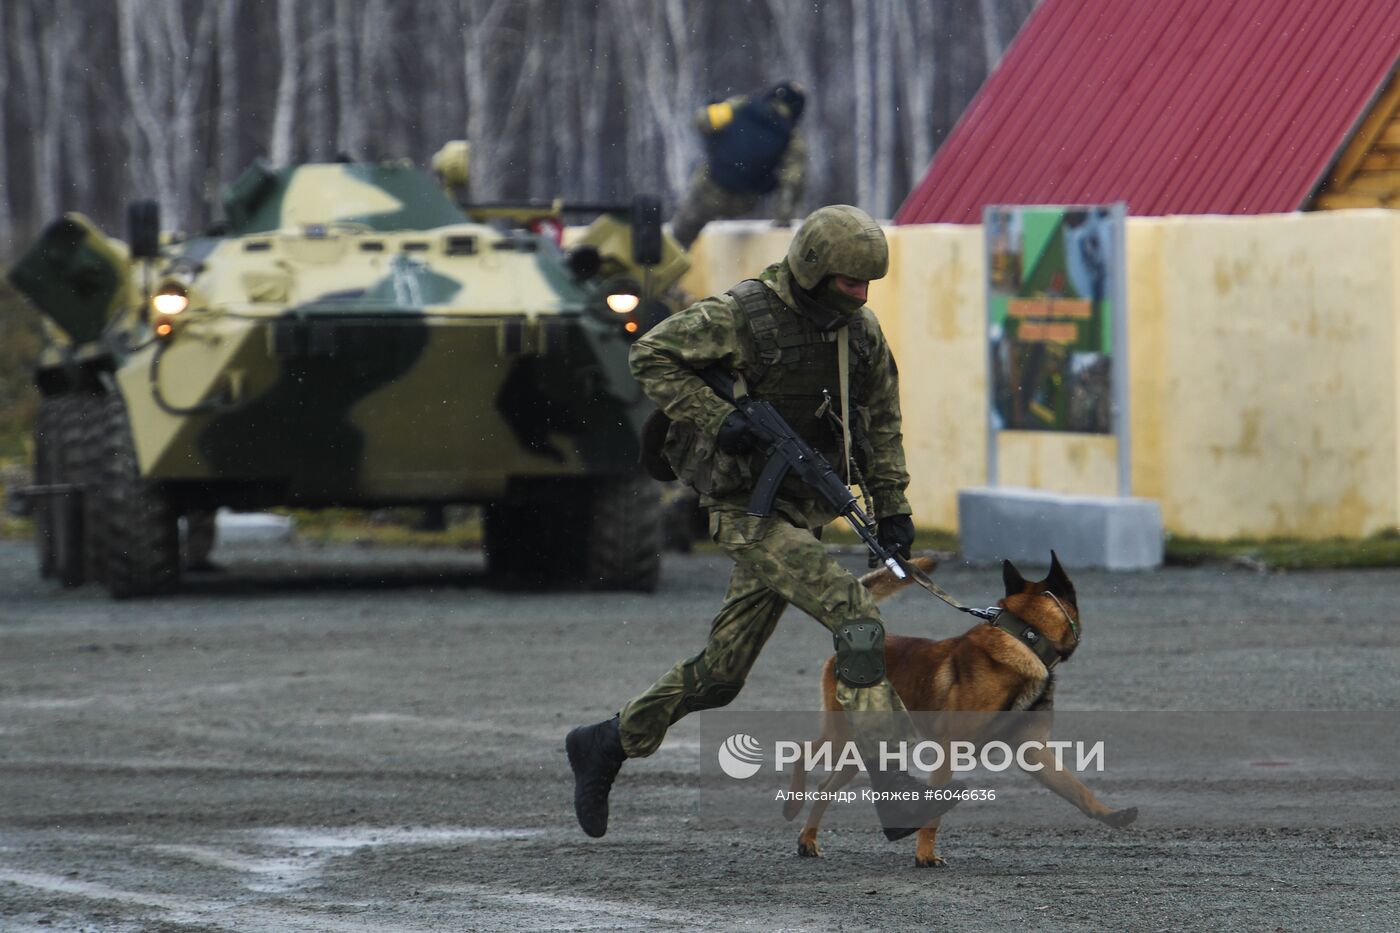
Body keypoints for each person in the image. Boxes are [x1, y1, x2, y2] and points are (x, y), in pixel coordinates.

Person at [567, 205, 960, 840]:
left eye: (868, 285)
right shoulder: (744, 313)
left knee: (721, 677)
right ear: (811, 271)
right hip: (744, 509)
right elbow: (652, 353)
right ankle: (893, 787)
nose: (861, 296)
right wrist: (719, 419)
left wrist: (893, 510)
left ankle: (606, 741)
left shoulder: (859, 334)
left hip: (801, 511)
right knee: (856, 619)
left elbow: (880, 421)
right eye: (849, 283)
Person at [669, 81, 809, 249]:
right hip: (744, 201)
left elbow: (703, 120)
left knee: (681, 235)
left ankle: (669, 262)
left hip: (710, 187)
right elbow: (792, 181)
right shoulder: (792, 139)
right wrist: (783, 219)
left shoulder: (745, 105)